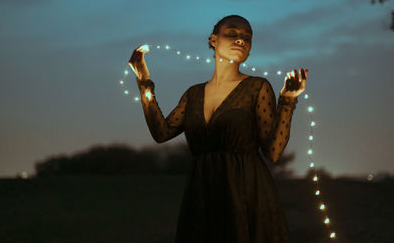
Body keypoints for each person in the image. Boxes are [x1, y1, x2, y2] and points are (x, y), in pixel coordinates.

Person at [128, 14, 308, 243]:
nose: (241, 40)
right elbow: (161, 133)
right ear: (213, 40)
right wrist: (143, 80)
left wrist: (287, 101)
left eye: (247, 37)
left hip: (246, 193)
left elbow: (273, 152)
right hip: (202, 194)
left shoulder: (257, 87)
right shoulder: (193, 94)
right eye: (232, 33)